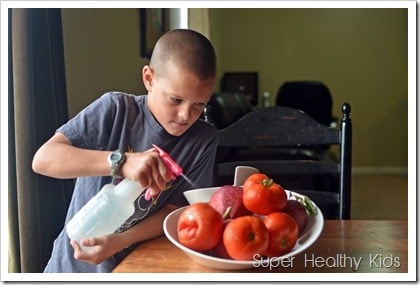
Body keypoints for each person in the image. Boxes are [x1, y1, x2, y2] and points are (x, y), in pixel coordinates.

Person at [32, 29, 218, 273]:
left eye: (199, 104)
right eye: (175, 99)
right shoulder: (116, 110)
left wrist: (119, 241)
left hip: (134, 267)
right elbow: (43, 159)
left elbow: (174, 211)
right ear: (149, 79)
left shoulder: (202, 140)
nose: (185, 116)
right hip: (70, 268)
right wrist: (120, 162)